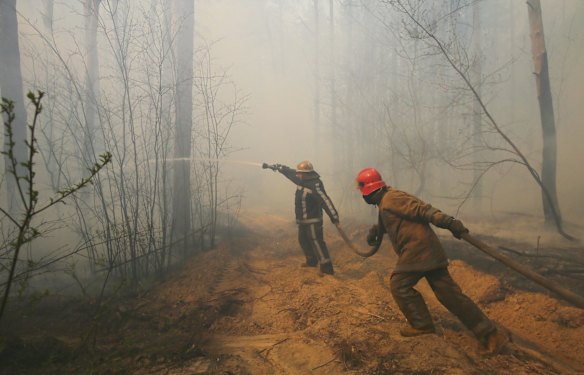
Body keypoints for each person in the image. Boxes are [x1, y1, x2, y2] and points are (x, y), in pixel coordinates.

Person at [355, 167, 510, 354]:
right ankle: (488, 333)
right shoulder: (386, 201)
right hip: (429, 251)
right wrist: (376, 231)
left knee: (399, 285)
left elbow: (422, 210)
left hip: (418, 251)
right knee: (450, 295)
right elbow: (395, 219)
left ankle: (422, 324)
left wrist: (449, 222)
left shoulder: (391, 199)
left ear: (369, 190)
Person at [263, 160, 339, 275]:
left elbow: (325, 200)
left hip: (313, 220)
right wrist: (279, 167)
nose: (297, 175)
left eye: (300, 173)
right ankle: (311, 261)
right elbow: (291, 172)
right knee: (303, 240)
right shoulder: (301, 179)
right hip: (302, 220)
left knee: (317, 242)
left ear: (306, 173)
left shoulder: (315, 184)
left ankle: (327, 268)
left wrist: (334, 216)